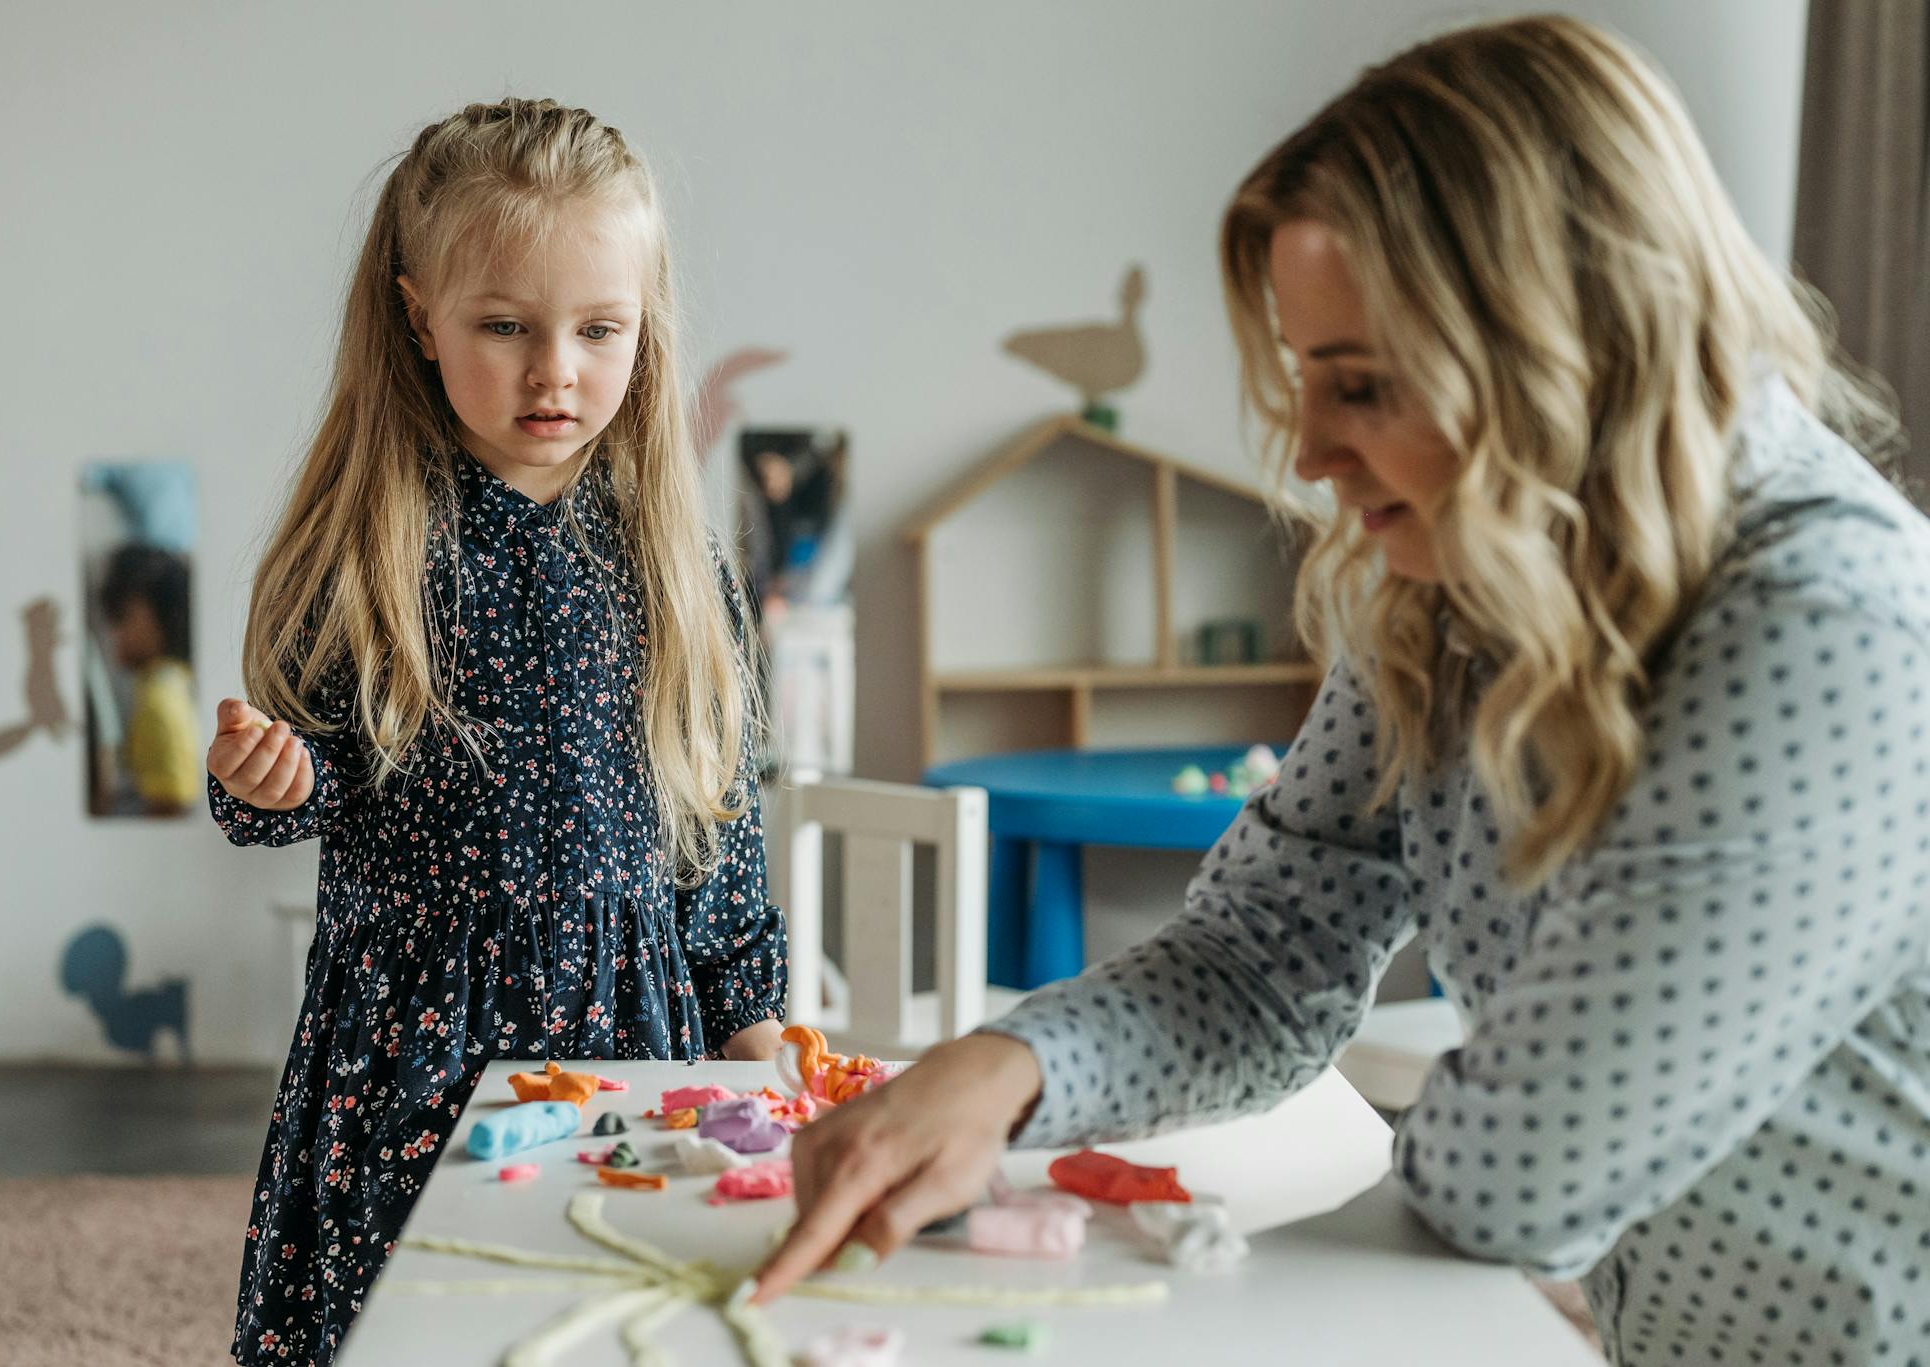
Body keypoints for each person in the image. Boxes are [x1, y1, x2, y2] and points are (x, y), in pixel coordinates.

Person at [758, 18, 1930, 1365]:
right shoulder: (1454, 581)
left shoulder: (1830, 630)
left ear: (1565, 354)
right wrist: (1006, 1069)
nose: (1309, 452)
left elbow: (1515, 1179)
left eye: (1362, 387)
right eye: (1307, 379)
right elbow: (1263, 958)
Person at [204, 98, 787, 1366]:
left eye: (598, 329)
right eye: (504, 326)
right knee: (425, 1323)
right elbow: (297, 784)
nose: (554, 370)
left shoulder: (679, 564)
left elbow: (719, 830)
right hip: (420, 1044)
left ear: (645, 319)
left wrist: (751, 1022)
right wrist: (266, 779)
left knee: (619, 1315)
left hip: (634, 1030)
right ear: (419, 316)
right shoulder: (362, 548)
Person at [98, 542, 200, 814]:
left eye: (122, 618)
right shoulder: (171, 682)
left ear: (164, 615)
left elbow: (172, 805)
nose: (114, 634)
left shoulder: (160, 699)